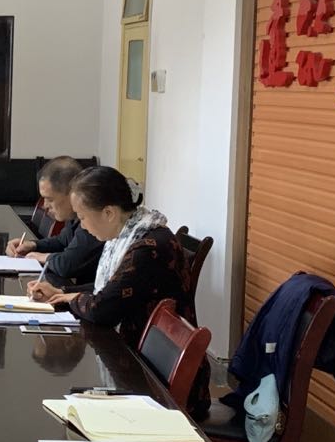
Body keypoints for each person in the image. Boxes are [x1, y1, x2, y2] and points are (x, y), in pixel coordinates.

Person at [28, 165, 208, 416]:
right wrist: (62, 291)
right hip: (142, 364)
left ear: (109, 213)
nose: (83, 227)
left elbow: (103, 309)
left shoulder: (147, 247)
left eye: (82, 217)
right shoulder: (131, 234)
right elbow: (114, 287)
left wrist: (69, 297)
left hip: (157, 387)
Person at [8, 157, 103, 287]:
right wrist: (32, 245)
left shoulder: (93, 221)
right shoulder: (74, 218)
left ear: (72, 193)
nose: (45, 205)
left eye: (50, 199)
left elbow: (67, 265)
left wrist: (42, 257)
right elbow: (61, 241)